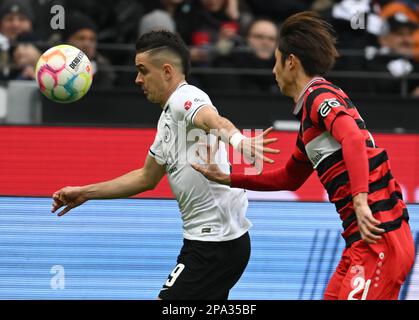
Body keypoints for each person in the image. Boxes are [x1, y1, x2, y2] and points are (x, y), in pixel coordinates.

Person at [192, 11, 415, 300]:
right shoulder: (310, 123)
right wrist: (228, 177)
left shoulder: (319, 96)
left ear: (291, 62)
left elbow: (353, 137)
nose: (273, 71)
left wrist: (360, 199)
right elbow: (289, 178)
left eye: (276, 62)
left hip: (378, 235)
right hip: (360, 242)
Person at [51, 30, 278, 300]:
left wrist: (239, 140)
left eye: (143, 71)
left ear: (167, 71)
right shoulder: (168, 118)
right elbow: (146, 177)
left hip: (215, 245)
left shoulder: (187, 98)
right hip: (207, 243)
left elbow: (211, 119)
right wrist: (85, 193)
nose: (137, 79)